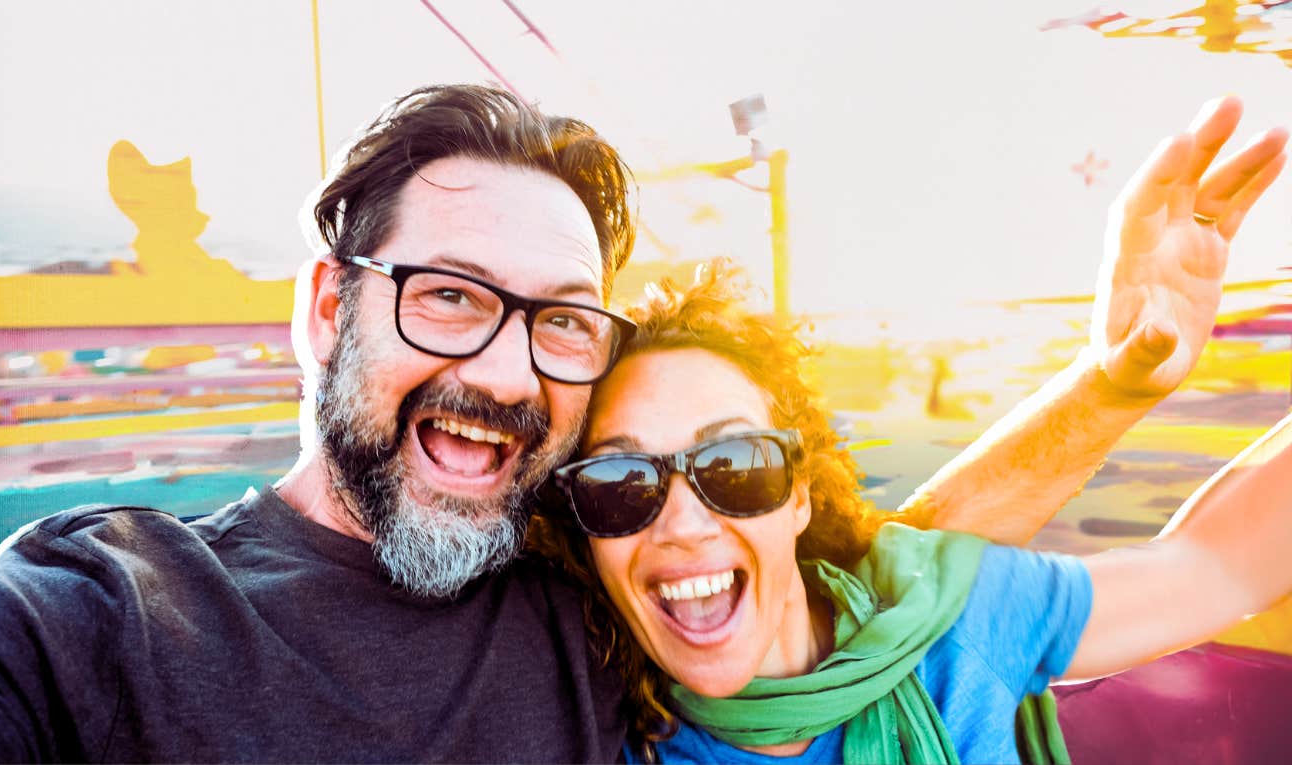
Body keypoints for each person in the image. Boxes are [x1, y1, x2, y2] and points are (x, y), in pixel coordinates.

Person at [0, 84, 1281, 762]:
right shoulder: (93, 613)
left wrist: (1115, 379)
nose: (508, 375)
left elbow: (872, 606)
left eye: (562, 318)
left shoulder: (590, 585)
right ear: (326, 305)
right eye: (452, 296)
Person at [533, 256, 1292, 764]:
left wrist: (1123, 373)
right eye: (620, 483)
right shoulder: (600, 740)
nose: (683, 522)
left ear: (798, 492)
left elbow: (1219, 564)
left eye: (735, 465)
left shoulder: (951, 621)